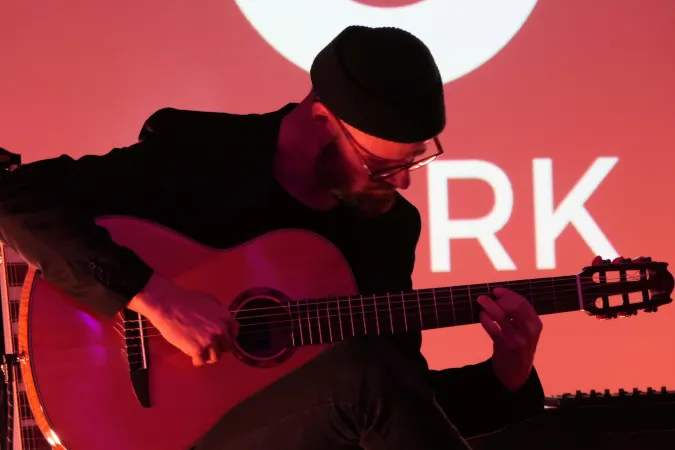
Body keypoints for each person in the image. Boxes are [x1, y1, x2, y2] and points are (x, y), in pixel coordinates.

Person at [0, 26, 546, 449]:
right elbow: (19, 200)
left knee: (372, 372)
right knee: (365, 373)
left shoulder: (387, 226)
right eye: (381, 166)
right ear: (321, 123)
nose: (401, 183)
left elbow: (399, 404)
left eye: (413, 164)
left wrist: (507, 375)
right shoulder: (204, 153)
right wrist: (158, 298)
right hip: (157, 433)